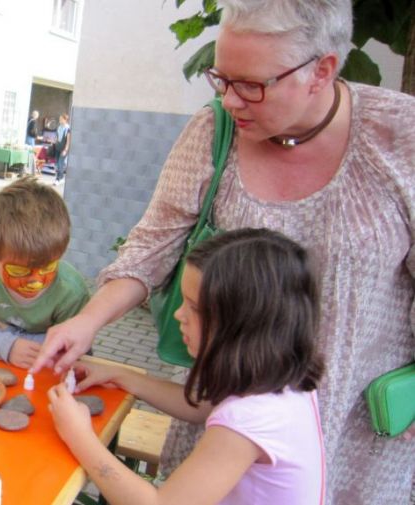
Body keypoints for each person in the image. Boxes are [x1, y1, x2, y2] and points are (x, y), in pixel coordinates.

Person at [32, 0, 415, 502]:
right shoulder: (266, 393)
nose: (230, 100)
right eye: (221, 78)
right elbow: (151, 248)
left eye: (251, 84)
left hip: (364, 424)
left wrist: (81, 438)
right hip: (233, 384)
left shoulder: (401, 134)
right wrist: (92, 326)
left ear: (322, 70)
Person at [49, 229, 325, 505]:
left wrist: (78, 435)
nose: (179, 314)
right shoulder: (280, 381)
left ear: (242, 324)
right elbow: (200, 405)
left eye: (194, 307)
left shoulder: (248, 419)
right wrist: (122, 376)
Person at [0, 177, 90, 368]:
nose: (35, 282)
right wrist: (7, 346)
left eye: (48, 267)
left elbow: (74, 344)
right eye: (19, 271)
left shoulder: (72, 291)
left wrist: (9, 337)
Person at [53, 113, 70, 186]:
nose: (60, 120)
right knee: (57, 164)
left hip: (63, 149)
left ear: (65, 120)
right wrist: (54, 141)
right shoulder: (59, 127)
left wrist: (65, 150)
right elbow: (57, 138)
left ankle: (57, 179)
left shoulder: (68, 129)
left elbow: (68, 141)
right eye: (59, 119)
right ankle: (62, 178)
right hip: (57, 147)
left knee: (60, 164)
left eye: (61, 119)